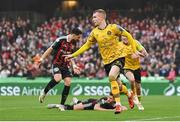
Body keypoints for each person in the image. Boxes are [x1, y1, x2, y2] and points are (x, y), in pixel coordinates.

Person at [64, 9, 139, 114]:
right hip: (107, 62)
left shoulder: (114, 28)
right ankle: (129, 95)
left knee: (111, 76)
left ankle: (118, 105)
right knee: (118, 85)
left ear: (102, 17)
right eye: (93, 17)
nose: (93, 19)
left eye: (95, 17)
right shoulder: (94, 32)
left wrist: (135, 51)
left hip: (118, 58)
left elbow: (129, 36)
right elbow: (86, 46)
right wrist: (72, 55)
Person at [34, 28, 82, 109]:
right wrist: (42, 59)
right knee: (58, 78)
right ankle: (44, 92)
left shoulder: (74, 44)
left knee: (68, 82)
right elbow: (50, 49)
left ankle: (62, 105)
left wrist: (73, 65)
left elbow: (70, 56)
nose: (79, 39)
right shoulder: (61, 40)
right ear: (74, 35)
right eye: (78, 37)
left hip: (65, 66)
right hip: (57, 63)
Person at [121, 36, 148, 110]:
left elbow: (143, 50)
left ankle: (138, 102)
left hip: (136, 68)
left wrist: (143, 52)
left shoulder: (135, 42)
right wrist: (141, 54)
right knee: (132, 80)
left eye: (125, 37)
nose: (124, 39)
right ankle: (132, 95)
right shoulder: (121, 45)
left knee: (138, 88)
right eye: (123, 37)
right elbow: (133, 56)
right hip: (126, 67)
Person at [47, 96, 128, 111]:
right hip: (90, 104)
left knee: (77, 105)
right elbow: (96, 107)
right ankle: (57, 105)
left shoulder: (114, 103)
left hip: (92, 102)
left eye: (110, 98)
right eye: (109, 98)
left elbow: (125, 108)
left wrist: (120, 108)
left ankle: (77, 101)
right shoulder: (104, 99)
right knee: (73, 108)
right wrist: (110, 111)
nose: (109, 99)